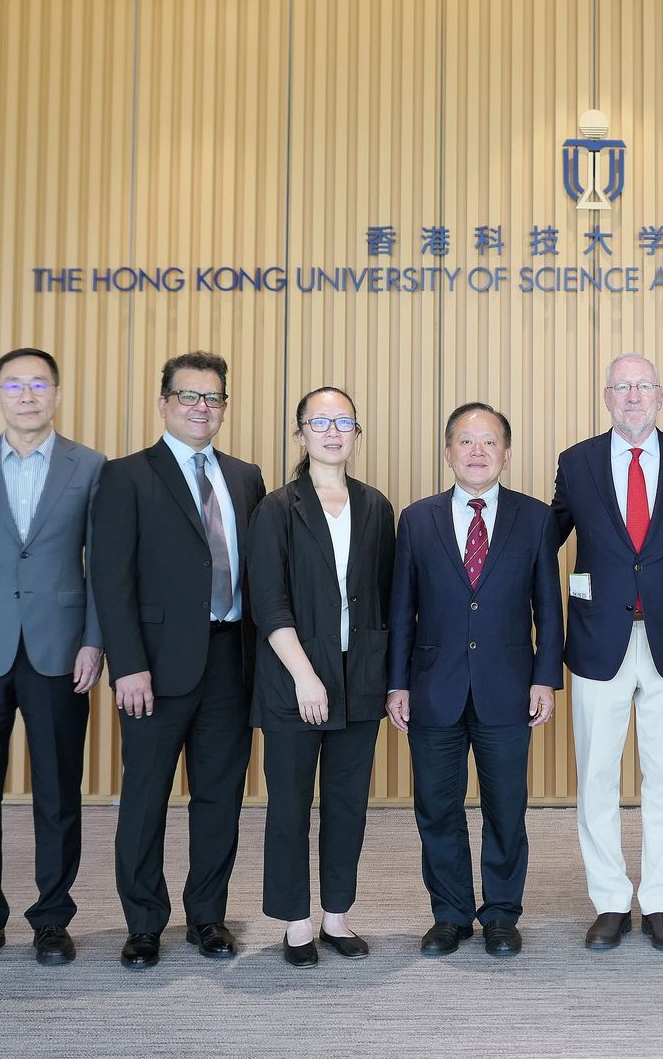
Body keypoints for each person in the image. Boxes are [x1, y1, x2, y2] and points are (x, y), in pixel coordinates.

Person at [0, 347, 105, 970]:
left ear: (56, 393)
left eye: (39, 384)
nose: (27, 395)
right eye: (14, 385)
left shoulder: (90, 466)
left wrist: (95, 639)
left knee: (58, 791)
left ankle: (52, 920)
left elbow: (100, 567)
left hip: (60, 649)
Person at [90, 351, 265, 970]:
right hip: (155, 667)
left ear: (224, 407)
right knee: (146, 795)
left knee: (219, 796)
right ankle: (143, 923)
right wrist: (128, 664)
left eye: (212, 398)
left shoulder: (246, 478)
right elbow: (110, 581)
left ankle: (208, 916)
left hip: (229, 659)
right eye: (188, 396)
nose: (201, 407)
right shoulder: (126, 476)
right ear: (164, 403)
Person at [549, 353, 663, 953]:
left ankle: (661, 901)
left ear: (661, 395)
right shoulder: (577, 462)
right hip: (598, 641)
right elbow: (547, 541)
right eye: (622, 387)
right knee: (596, 776)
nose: (633, 396)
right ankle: (612, 901)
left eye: (643, 385)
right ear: (606, 397)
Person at [387, 403, 563, 957]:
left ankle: (503, 915)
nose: (478, 451)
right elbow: (401, 610)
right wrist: (397, 684)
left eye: (489, 442)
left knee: (506, 807)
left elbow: (547, 608)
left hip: (508, 687)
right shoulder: (417, 519)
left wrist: (545, 678)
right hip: (433, 686)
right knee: (437, 807)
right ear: (448, 453)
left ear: (506, 455)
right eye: (466, 441)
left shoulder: (535, 518)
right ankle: (451, 915)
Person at [245, 386, 396, 968]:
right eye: (320, 422)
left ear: (356, 433)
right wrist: (306, 677)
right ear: (300, 433)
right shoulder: (277, 509)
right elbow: (269, 604)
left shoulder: (377, 506)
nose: (333, 431)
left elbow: (381, 598)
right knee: (289, 806)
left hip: (359, 684)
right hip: (293, 685)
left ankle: (337, 915)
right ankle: (298, 923)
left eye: (344, 422)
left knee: (347, 804)